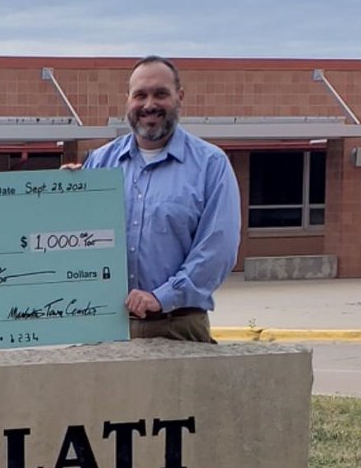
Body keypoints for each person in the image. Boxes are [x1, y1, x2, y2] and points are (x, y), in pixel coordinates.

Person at [79, 55, 241, 343]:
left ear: (179, 97)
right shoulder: (99, 163)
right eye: (140, 95)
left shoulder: (210, 165)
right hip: (106, 328)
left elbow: (218, 249)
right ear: (127, 100)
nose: (149, 104)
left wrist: (162, 297)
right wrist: (61, 194)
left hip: (177, 326)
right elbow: (79, 239)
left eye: (160, 94)